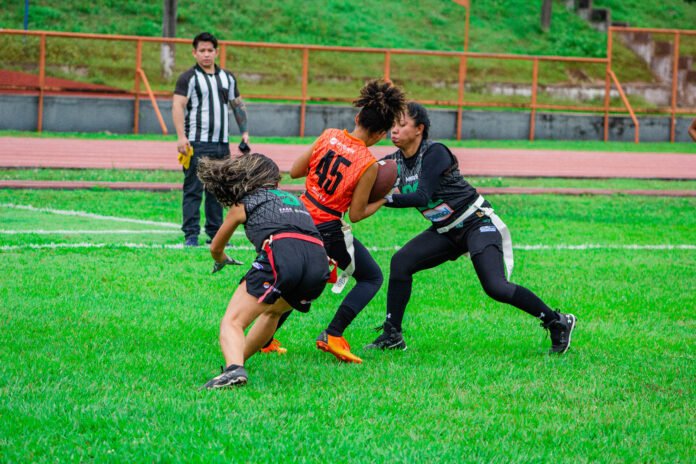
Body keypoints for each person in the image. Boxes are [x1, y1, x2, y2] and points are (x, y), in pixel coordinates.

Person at [365, 102, 577, 354]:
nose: (394, 131)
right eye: (393, 126)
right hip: (445, 230)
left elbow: (422, 196)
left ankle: (557, 321)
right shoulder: (394, 162)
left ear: (419, 129)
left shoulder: (435, 153)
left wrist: (382, 199)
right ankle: (392, 334)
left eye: (402, 125)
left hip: (476, 222)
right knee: (401, 262)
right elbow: (368, 179)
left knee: (495, 287)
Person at [288, 79, 406, 364]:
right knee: (371, 277)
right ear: (380, 134)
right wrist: (386, 196)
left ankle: (265, 340)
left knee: (294, 280)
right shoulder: (367, 163)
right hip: (327, 227)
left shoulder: (328, 135)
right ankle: (333, 333)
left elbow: (294, 171)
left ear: (356, 116)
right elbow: (356, 214)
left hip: (300, 215)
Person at [197, 153, 330, 388]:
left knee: (233, 321)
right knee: (273, 313)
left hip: (282, 256)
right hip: (319, 263)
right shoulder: (294, 200)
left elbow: (216, 247)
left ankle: (234, 370)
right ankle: (236, 365)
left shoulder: (244, 203)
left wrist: (222, 259)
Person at [172, 31, 250, 247]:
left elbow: (237, 105)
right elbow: (178, 105)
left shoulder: (227, 78)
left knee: (218, 191)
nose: (206, 55)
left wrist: (244, 131)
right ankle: (191, 235)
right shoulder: (188, 78)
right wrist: (181, 137)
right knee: (193, 189)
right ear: (194, 53)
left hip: (221, 143)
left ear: (216, 52)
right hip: (197, 142)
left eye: (210, 50)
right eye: (202, 51)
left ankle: (215, 234)